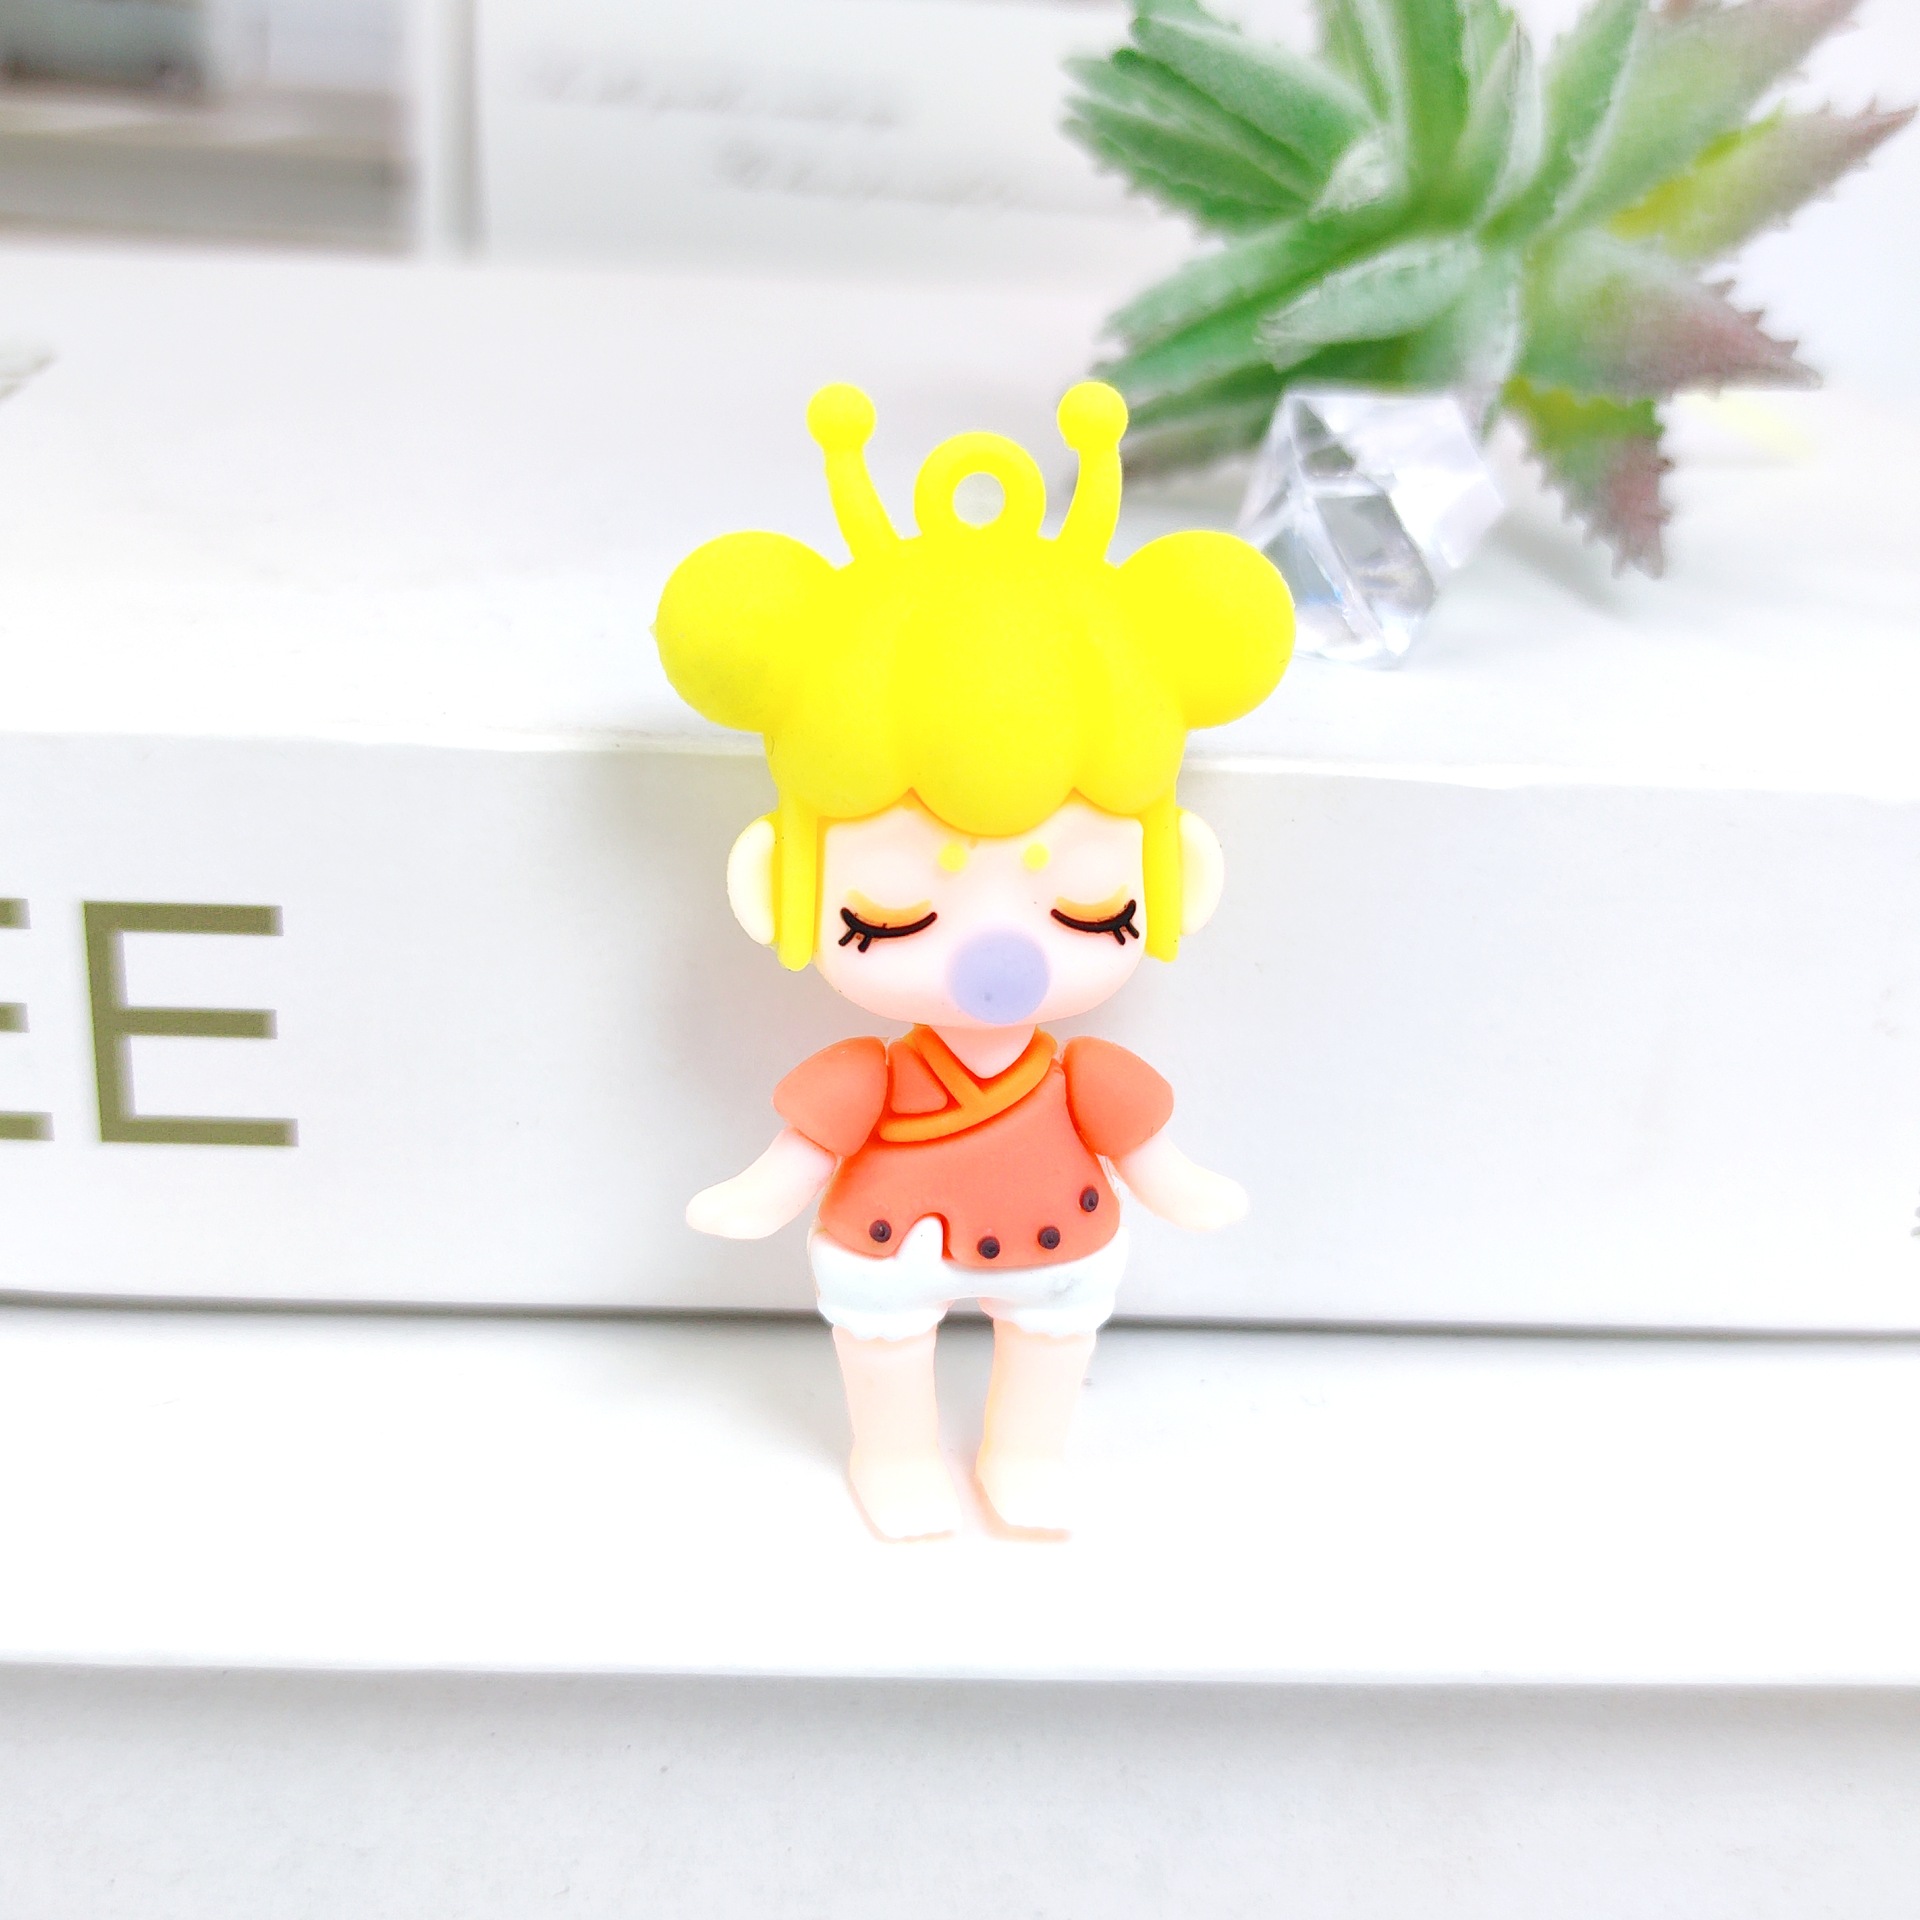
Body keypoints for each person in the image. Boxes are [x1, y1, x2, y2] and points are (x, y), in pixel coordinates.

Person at [655, 379, 1293, 1538]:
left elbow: (1149, 1151)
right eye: (893, 916)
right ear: (774, 889)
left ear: (1180, 884)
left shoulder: (1083, 1077)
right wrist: (757, 1196)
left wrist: (1185, 1188)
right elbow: (804, 1149)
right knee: (884, 1351)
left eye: (1088, 906)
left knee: (1051, 1346)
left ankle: (1024, 1453)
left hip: (1057, 1245)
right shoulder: (873, 1076)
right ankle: (892, 1455)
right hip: (892, 1246)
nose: (997, 957)